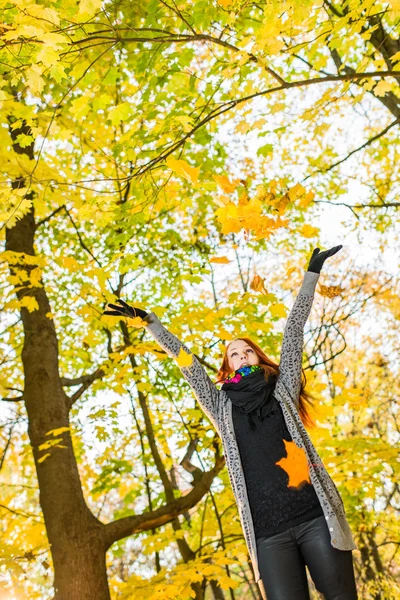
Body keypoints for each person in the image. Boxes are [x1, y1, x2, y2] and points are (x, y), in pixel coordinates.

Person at [104, 246, 358, 600]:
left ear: (258, 355)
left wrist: (311, 275)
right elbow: (189, 366)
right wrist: (151, 323)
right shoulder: (222, 406)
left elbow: (294, 330)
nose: (241, 356)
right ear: (228, 366)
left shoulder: (282, 388)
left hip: (315, 516)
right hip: (268, 535)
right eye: (233, 354)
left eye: (247, 350)